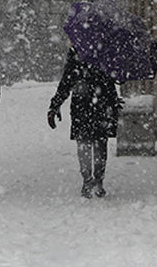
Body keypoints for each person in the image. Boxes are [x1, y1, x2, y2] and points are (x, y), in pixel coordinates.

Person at [47, 47, 123, 198]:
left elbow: (67, 81)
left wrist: (55, 105)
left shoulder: (78, 50)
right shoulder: (106, 49)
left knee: (85, 144)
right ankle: (96, 181)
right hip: (100, 103)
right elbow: (112, 79)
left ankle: (88, 180)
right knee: (99, 143)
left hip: (84, 103)